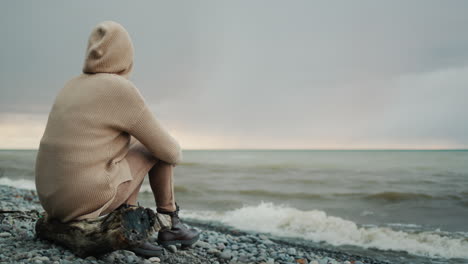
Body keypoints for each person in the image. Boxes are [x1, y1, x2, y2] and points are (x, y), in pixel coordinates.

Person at [34, 21, 200, 257]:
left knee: (129, 145)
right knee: (152, 147)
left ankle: (131, 217)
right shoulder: (119, 88)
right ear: (126, 56)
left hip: (50, 201)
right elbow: (172, 153)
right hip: (82, 200)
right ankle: (171, 222)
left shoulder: (70, 86)